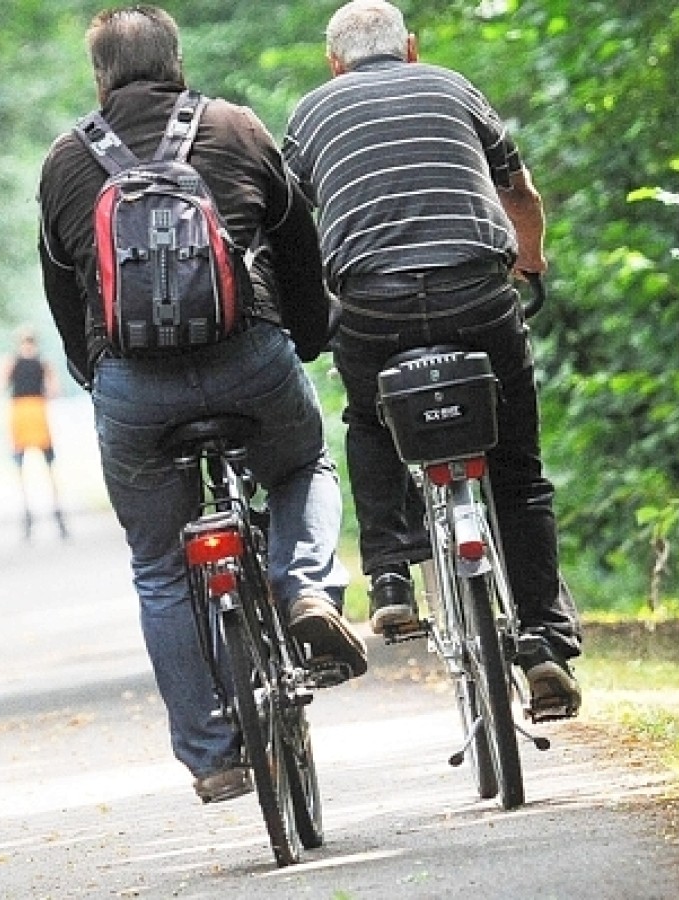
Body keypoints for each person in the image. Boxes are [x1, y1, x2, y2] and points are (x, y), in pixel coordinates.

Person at [37, 5, 363, 805]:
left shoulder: (64, 161)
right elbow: (297, 245)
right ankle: (306, 585)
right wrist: (309, 338)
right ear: (176, 62)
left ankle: (214, 754)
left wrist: (96, 375)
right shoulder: (237, 127)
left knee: (159, 567)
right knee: (303, 463)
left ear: (100, 77)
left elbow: (61, 286)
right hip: (248, 358)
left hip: (135, 388)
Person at [283, 0, 583, 718]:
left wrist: (309, 308)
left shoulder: (309, 113)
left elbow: (289, 224)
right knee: (517, 469)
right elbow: (519, 190)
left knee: (368, 418)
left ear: (334, 62)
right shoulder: (454, 88)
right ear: (410, 49)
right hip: (476, 295)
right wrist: (531, 264)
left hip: (372, 307)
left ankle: (389, 580)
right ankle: (542, 641)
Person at [0, 329, 69, 540]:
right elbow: (55, 390)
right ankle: (58, 514)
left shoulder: (11, 362)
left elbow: (0, 385)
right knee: (49, 465)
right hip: (38, 410)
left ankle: (27, 515)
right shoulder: (43, 362)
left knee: (20, 467)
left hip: (20, 411)